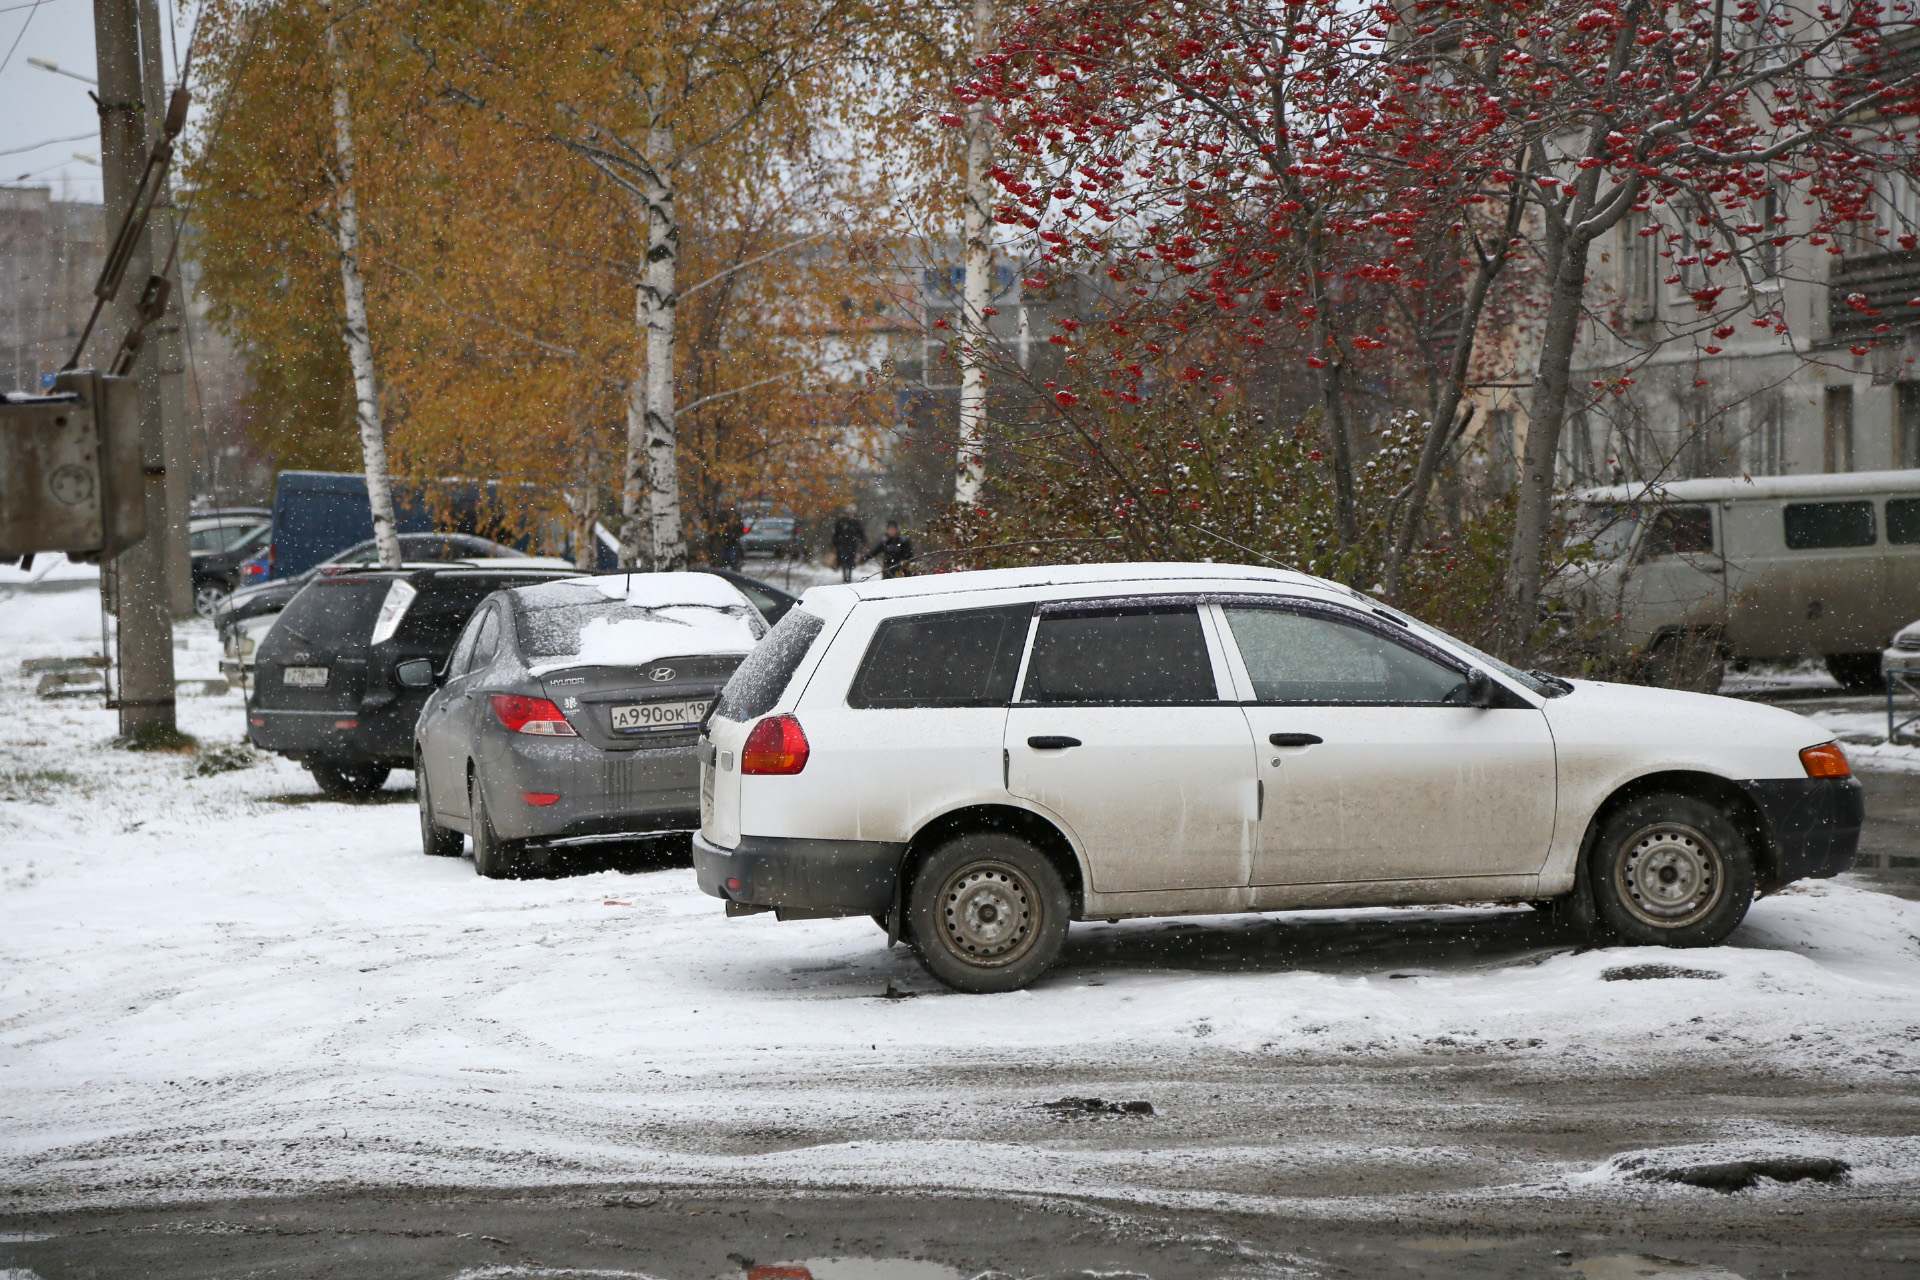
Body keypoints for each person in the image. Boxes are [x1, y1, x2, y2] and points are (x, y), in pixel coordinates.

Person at [831, 507, 866, 583]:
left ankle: (849, 576)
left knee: (850, 560)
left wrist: (863, 541)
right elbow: (836, 533)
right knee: (844, 560)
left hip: (853, 544)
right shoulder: (841, 521)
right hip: (843, 544)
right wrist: (835, 542)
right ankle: (844, 576)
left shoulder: (856, 522)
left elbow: (861, 533)